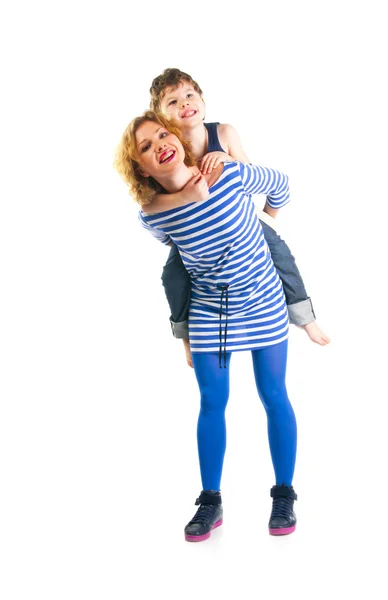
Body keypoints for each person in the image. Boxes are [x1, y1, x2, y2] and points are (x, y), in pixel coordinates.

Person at [114, 110, 299, 542]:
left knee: (274, 395)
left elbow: (282, 186)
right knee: (212, 402)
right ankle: (210, 502)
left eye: (162, 133)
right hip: (211, 315)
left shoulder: (228, 174)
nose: (159, 143)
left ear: (177, 137)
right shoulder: (153, 215)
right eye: (146, 146)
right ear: (141, 167)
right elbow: (166, 238)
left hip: (264, 302)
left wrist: (266, 222)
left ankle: (284, 495)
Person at [147, 68, 330, 368]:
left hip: (240, 219)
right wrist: (176, 235)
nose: (184, 104)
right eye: (173, 102)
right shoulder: (170, 149)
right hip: (198, 234)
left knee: (280, 254)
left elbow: (252, 175)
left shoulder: (224, 133)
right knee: (172, 275)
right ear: (161, 117)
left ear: (202, 99)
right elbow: (153, 204)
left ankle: (303, 317)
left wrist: (264, 216)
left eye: (190, 95)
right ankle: (186, 337)